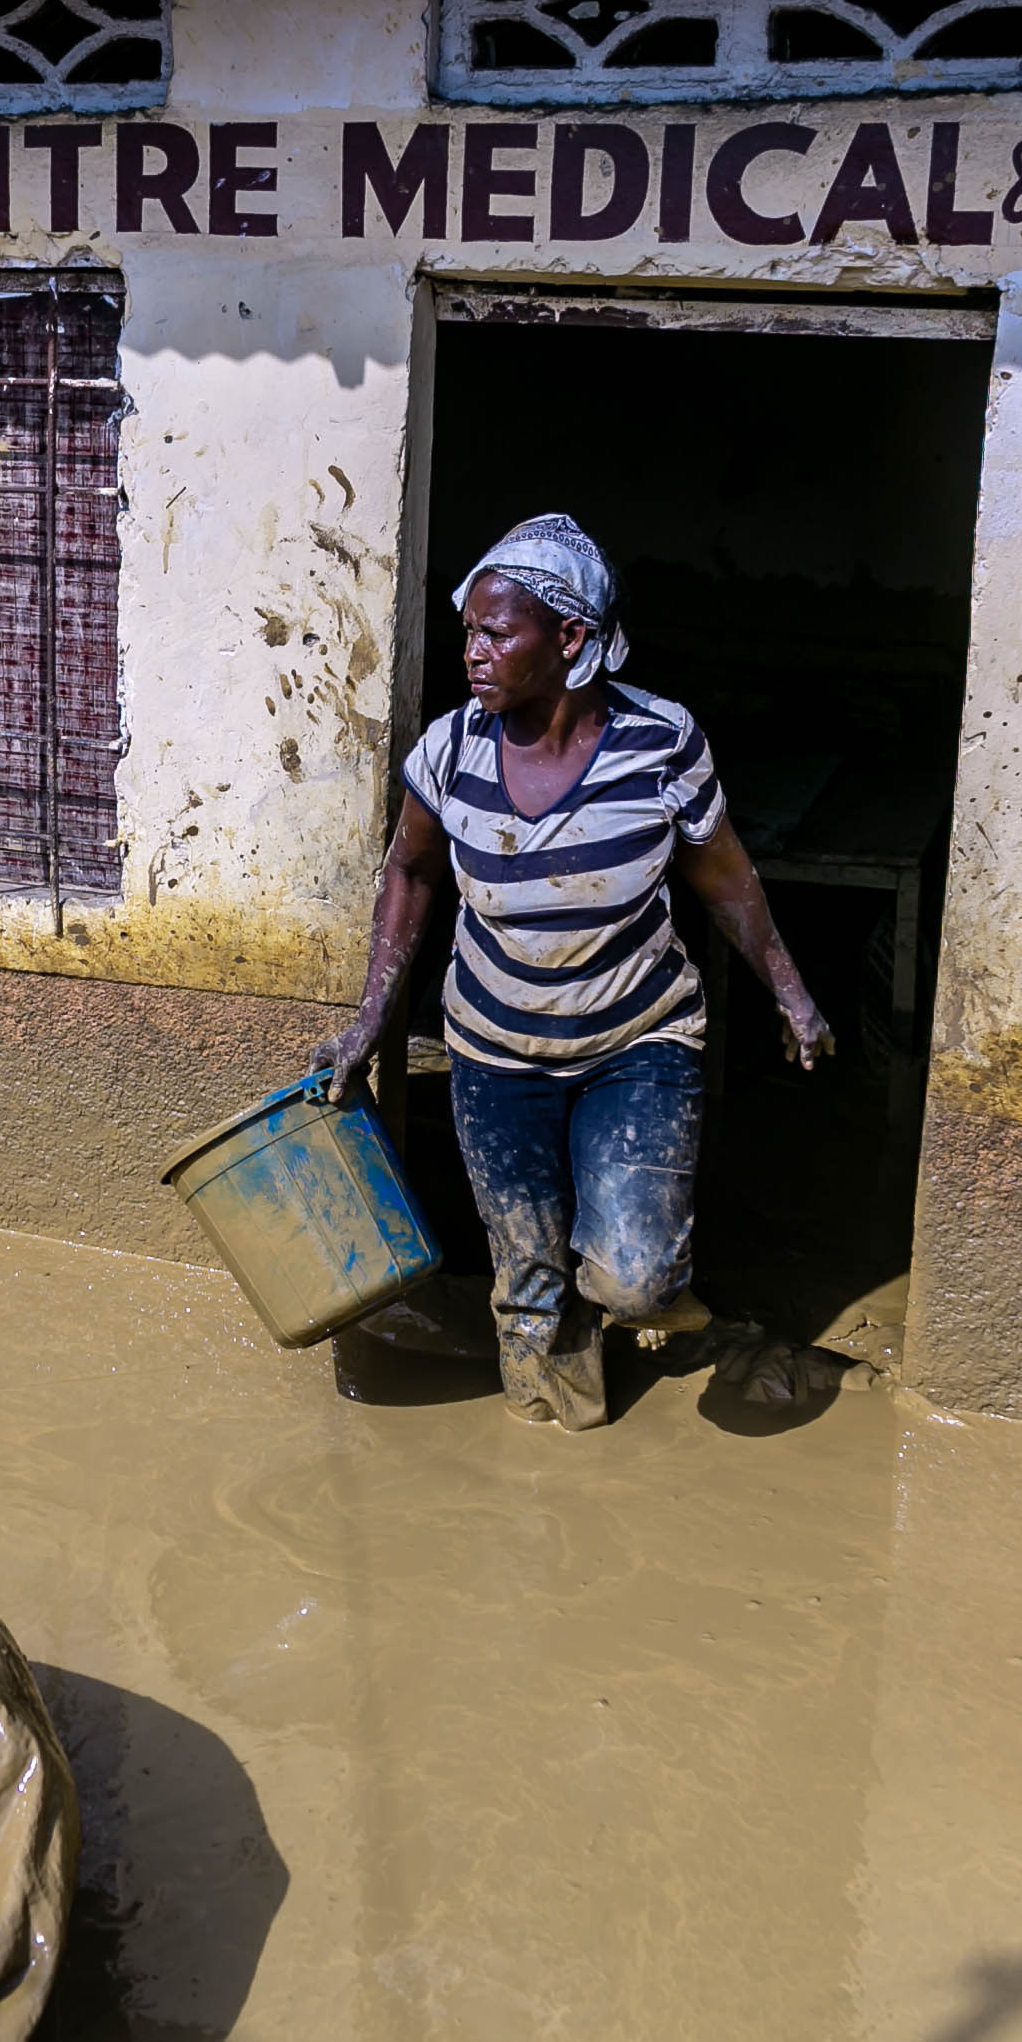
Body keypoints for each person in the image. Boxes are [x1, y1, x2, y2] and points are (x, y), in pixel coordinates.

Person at [312, 513, 831, 1431]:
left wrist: (791, 994)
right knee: (530, 1290)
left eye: (495, 632)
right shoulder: (451, 750)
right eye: (468, 630)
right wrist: (368, 1019)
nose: (471, 651)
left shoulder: (661, 742)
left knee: (637, 1279)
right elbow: (411, 872)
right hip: (495, 1053)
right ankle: (547, 1420)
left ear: (570, 638)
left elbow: (724, 876)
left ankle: (635, 1312)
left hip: (637, 1042)